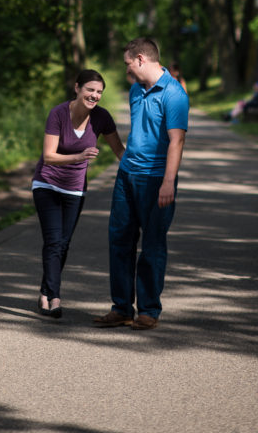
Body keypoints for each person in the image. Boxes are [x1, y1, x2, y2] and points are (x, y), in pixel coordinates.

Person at [94, 37, 189, 330]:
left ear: (140, 59)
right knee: (120, 240)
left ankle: (148, 310)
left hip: (156, 179)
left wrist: (168, 182)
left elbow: (177, 140)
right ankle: (121, 308)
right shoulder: (136, 90)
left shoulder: (174, 95)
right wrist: (123, 159)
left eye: (128, 63)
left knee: (152, 245)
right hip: (127, 176)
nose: (128, 70)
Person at [32, 69, 125, 319]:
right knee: (53, 241)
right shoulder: (58, 114)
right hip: (47, 184)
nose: (94, 95)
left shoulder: (102, 118)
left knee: (63, 244)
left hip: (74, 189)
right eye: (90, 90)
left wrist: (143, 173)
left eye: (99, 92)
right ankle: (55, 298)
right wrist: (79, 156)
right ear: (77, 88)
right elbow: (49, 156)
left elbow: (120, 152)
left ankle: (44, 292)